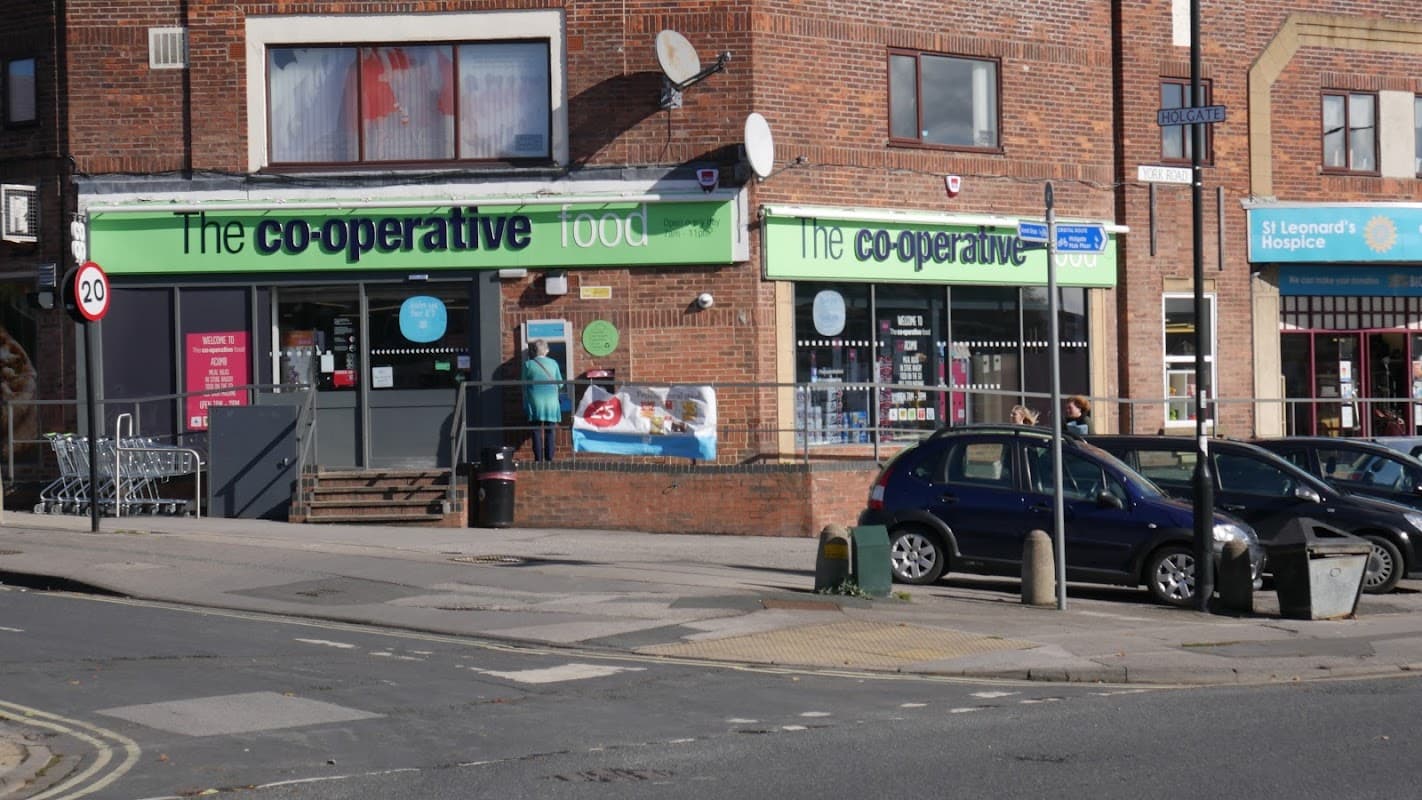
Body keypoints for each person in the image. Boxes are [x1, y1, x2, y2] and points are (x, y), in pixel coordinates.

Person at [522, 339, 564, 462]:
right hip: (551, 403)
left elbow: (523, 384)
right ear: (546, 350)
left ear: (534, 351)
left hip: (535, 403)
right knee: (550, 431)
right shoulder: (554, 363)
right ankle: (549, 458)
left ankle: (538, 459)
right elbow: (560, 384)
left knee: (535, 431)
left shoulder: (528, 364)